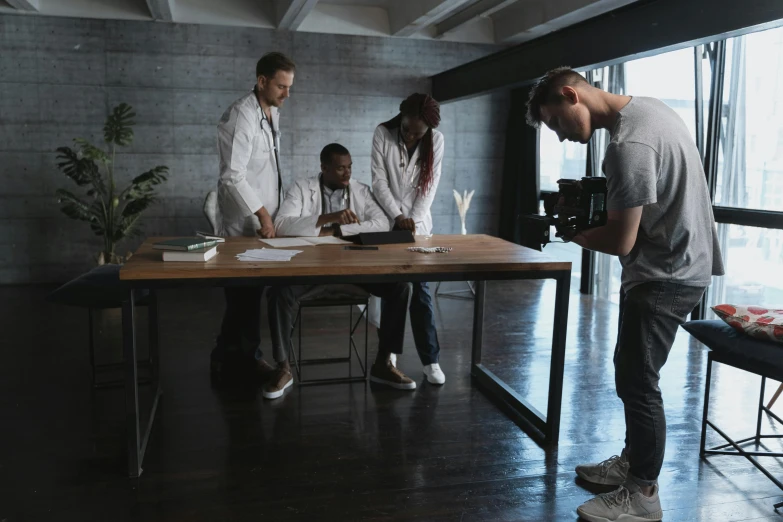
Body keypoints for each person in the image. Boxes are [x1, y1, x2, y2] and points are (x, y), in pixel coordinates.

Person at [525, 67, 724, 522]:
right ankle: (633, 465)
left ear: (572, 95)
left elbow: (620, 242)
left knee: (637, 381)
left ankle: (642, 494)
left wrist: (566, 230)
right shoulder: (649, 111)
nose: (558, 137)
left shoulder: (626, 146)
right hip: (680, 262)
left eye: (555, 123)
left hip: (665, 272)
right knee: (631, 371)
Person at [263, 143, 417, 399]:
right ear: (324, 168)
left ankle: (383, 364)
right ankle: (282, 367)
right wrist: (327, 218)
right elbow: (281, 225)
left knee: (401, 286)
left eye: (349, 167)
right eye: (340, 168)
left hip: (354, 272)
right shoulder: (302, 188)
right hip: (310, 272)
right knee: (278, 292)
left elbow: (381, 223)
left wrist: (336, 231)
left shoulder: (361, 191)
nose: (347, 174)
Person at [211, 52, 295, 379]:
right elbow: (232, 175)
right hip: (244, 219)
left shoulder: (272, 111)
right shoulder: (240, 115)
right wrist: (263, 214)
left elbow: (268, 166)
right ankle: (250, 357)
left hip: (267, 217)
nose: (287, 94)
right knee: (244, 292)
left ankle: (224, 353)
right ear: (261, 81)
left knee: (248, 293)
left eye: (289, 87)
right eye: (281, 86)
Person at [371, 93, 446, 385]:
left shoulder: (436, 141)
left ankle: (431, 360)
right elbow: (378, 181)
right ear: (400, 118)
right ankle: (388, 356)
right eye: (406, 129)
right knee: (394, 288)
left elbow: (430, 186)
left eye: (418, 133)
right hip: (389, 222)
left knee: (421, 291)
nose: (411, 136)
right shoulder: (382, 133)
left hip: (418, 226)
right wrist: (397, 216)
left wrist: (411, 222)